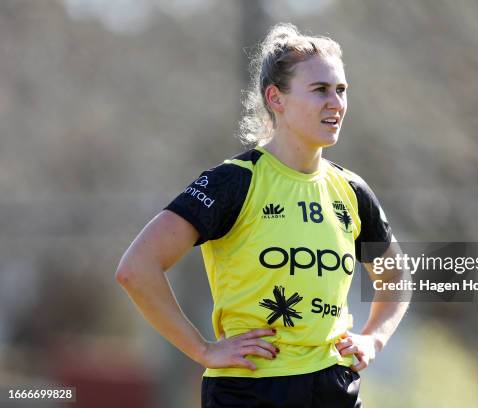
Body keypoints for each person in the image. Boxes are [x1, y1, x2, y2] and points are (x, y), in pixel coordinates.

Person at [116, 23, 409, 408]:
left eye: (341, 90)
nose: (335, 103)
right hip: (250, 391)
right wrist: (204, 350)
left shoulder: (351, 191)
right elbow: (136, 269)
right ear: (276, 98)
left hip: (335, 387)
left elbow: (396, 274)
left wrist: (375, 338)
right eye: (320, 89)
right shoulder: (234, 182)